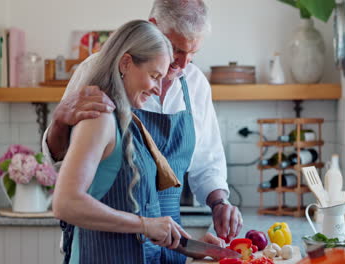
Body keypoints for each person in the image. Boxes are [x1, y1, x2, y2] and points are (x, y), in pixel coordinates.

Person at [44, 0, 242, 253]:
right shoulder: (98, 92)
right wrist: (60, 122)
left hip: (167, 242)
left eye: (193, 54)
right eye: (177, 50)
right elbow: (65, 175)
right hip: (106, 247)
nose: (183, 64)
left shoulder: (196, 84)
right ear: (153, 29)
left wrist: (216, 212)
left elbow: (207, 162)